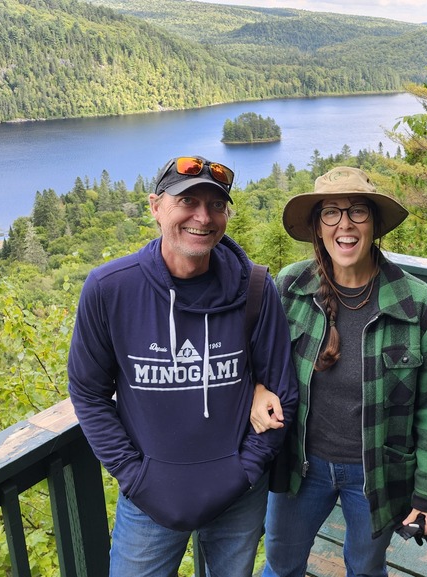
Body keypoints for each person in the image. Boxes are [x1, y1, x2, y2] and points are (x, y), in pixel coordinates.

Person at [67, 154, 298, 577]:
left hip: (238, 496)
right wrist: (134, 476)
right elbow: (88, 392)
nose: (203, 217)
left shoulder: (257, 289)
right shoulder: (110, 290)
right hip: (150, 498)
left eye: (215, 205)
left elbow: (283, 391)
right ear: (155, 207)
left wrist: (245, 471)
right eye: (187, 201)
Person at [251, 166, 427, 577]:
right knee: (281, 565)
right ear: (317, 227)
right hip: (300, 465)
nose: (344, 224)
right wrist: (257, 387)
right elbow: (258, 359)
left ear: (375, 224)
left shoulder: (418, 304)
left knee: (365, 568)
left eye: (358, 211)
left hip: (378, 472)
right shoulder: (290, 287)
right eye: (330, 212)